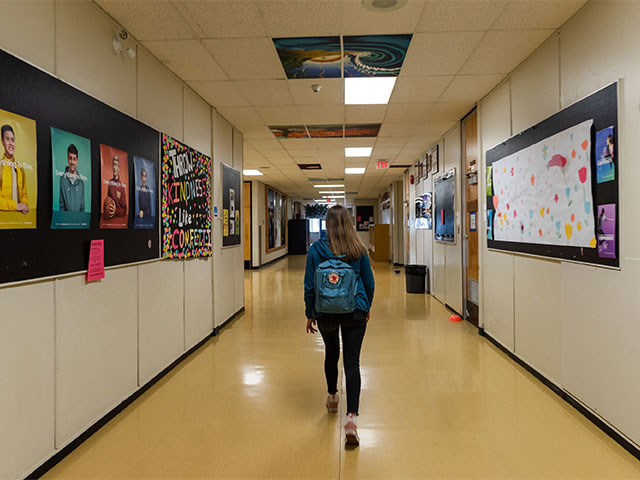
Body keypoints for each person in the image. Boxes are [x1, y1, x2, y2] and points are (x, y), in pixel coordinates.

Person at [304, 204, 375, 446]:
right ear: (349, 223)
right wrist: (366, 306)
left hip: (325, 312)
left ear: (327, 225)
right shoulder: (359, 249)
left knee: (331, 353)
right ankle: (352, 419)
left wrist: (310, 312)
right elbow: (369, 282)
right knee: (352, 361)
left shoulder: (316, 250)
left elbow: (309, 286)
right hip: (355, 309)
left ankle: (333, 396)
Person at [0, 124, 29, 214]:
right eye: (7, 139)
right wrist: (15, 205)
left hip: (19, 220)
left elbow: (24, 194)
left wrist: (24, 204)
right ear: (2, 142)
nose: (11, 143)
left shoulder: (20, 169)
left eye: (13, 140)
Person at [59, 144, 85, 212]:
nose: (72, 162)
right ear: (67, 159)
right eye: (70, 158)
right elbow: (61, 205)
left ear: (77, 161)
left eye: (74, 159)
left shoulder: (81, 183)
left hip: (78, 221)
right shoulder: (62, 180)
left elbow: (82, 207)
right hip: (66, 221)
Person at [103, 155, 127, 219]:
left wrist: (115, 211)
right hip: (110, 218)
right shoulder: (110, 183)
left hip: (118, 219)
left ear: (118, 169)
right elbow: (109, 200)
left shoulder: (122, 187)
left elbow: (124, 210)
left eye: (116, 165)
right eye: (113, 165)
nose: (114, 167)